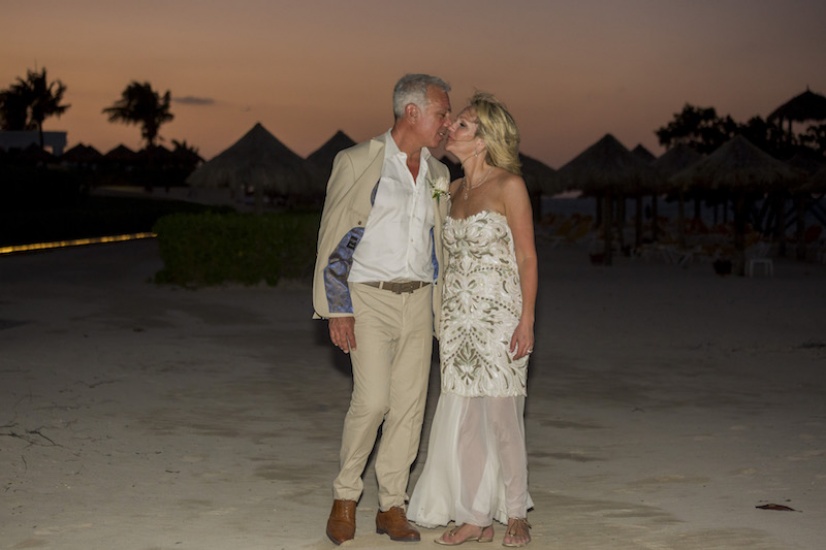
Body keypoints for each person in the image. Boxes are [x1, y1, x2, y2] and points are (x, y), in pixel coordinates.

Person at [312, 73, 452, 545]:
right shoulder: (357, 161)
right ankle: (345, 496)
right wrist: (338, 309)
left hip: (420, 299)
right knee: (372, 402)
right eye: (441, 113)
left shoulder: (438, 174)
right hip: (367, 297)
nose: (446, 123)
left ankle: (392, 504)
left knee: (410, 408)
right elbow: (332, 238)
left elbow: (441, 245)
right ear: (412, 112)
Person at [407, 92, 538, 547]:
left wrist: (527, 320)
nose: (451, 130)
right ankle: (475, 516)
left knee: (503, 418)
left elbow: (526, 257)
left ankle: (516, 513)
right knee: (464, 421)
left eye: (461, 125)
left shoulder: (509, 186)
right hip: (458, 320)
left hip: (499, 318)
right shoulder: (452, 189)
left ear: (483, 140)